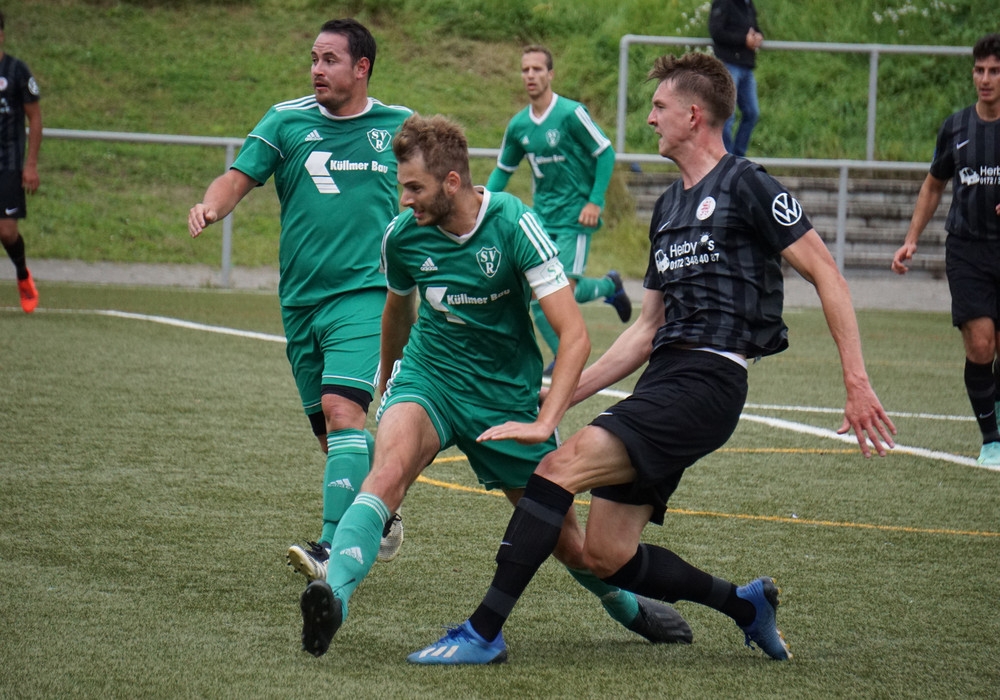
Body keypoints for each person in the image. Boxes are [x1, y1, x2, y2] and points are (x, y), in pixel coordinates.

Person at [409, 52, 897, 665]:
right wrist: (560, 393)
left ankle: (482, 632)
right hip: (664, 378)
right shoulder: (667, 208)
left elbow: (828, 275)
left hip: (711, 378)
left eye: (659, 107)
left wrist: (856, 381)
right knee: (605, 554)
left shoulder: (747, 184)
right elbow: (645, 331)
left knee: (556, 468)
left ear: (693, 115)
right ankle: (745, 605)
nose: (648, 119)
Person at [298, 113, 693, 658]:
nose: (405, 200)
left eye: (414, 188)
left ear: (451, 182)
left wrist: (546, 421)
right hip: (430, 379)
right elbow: (397, 312)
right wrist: (389, 381)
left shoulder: (513, 223)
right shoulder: (402, 237)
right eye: (401, 187)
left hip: (503, 398)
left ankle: (627, 607)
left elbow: (574, 336)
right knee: (387, 473)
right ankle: (333, 598)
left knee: (568, 543)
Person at [188, 18, 408, 573]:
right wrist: (211, 206)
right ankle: (380, 502)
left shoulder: (399, 127)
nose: (317, 69)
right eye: (314, 59)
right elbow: (235, 179)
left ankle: (331, 547)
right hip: (301, 301)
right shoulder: (285, 120)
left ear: (362, 67)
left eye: (330, 60)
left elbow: (437, 189)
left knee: (343, 411)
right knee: (330, 433)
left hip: (367, 292)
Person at [891, 34, 1000, 467]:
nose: (985, 79)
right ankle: (991, 441)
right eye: (980, 70)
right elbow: (934, 184)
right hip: (967, 250)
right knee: (981, 344)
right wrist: (911, 238)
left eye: (994, 71)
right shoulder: (956, 127)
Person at [487, 45, 631, 372]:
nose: (530, 75)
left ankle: (609, 286)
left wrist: (595, 201)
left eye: (537, 69)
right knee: (537, 294)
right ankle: (561, 357)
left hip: (575, 217)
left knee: (563, 289)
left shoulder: (570, 114)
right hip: (541, 219)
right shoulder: (519, 126)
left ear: (550, 74)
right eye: (525, 70)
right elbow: (503, 171)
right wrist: (478, 203)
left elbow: (605, 153)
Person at [0, 10, 42, 314]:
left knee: (7, 232)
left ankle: (23, 275)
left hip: (9, 162)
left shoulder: (17, 71)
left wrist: (30, 165)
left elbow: (35, 118)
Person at [709, 0, 763, 157]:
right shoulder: (724, 2)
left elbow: (753, 27)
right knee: (727, 116)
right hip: (728, 65)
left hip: (746, 66)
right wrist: (743, 40)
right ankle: (726, 159)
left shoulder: (747, 3)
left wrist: (758, 36)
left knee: (752, 113)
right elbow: (716, 31)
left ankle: (737, 158)